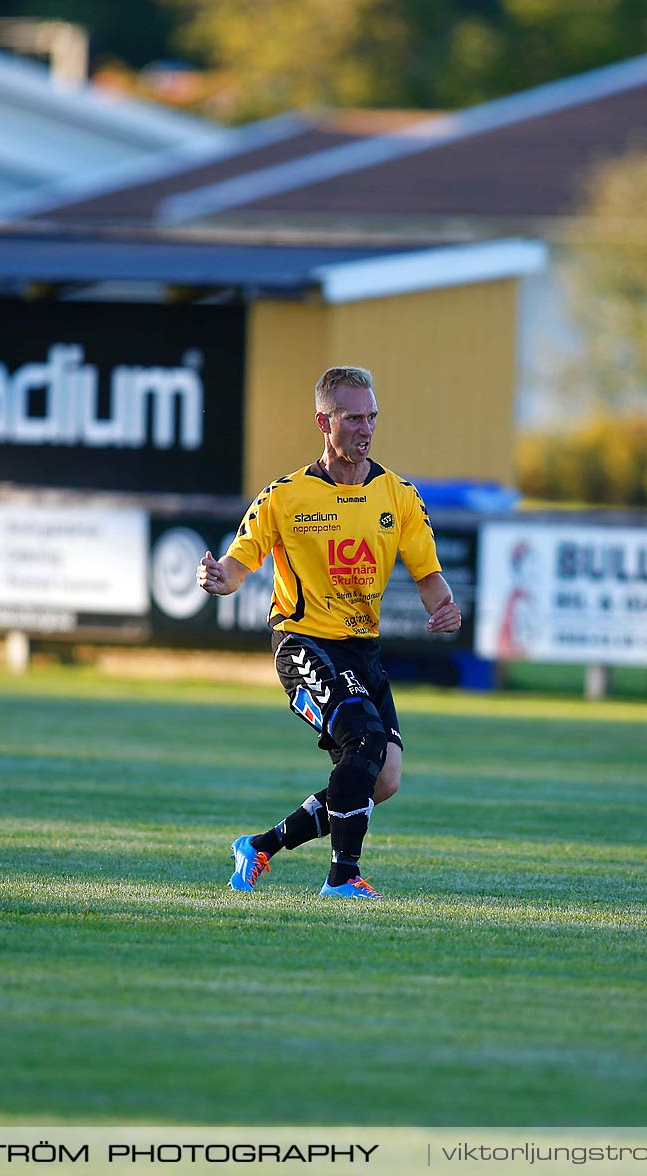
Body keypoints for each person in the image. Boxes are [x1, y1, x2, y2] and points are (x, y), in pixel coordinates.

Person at [197, 365, 459, 899]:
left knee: (380, 778)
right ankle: (342, 878)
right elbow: (237, 566)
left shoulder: (399, 496)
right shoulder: (284, 497)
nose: (366, 429)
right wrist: (219, 578)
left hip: (363, 653)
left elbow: (429, 576)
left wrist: (446, 608)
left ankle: (261, 846)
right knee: (363, 741)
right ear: (324, 421)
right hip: (304, 644)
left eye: (372, 418)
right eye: (353, 418)